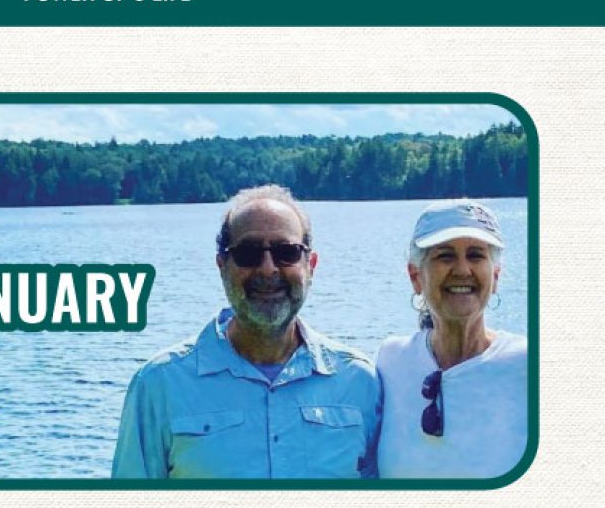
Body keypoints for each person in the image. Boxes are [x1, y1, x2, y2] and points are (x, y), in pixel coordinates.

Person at [112, 185, 381, 479]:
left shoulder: (359, 382)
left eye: (286, 252)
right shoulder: (159, 384)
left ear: (311, 265)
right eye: (248, 254)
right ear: (222, 266)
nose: (268, 270)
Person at [376, 199, 528, 478]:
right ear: (415, 276)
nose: (461, 270)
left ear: (495, 276)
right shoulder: (390, 360)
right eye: (445, 256)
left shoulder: (528, 364)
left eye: (476, 255)